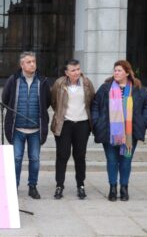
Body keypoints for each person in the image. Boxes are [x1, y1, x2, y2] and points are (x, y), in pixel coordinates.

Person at [91, 60, 147, 201]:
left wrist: (143, 122)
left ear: (127, 72)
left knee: (126, 161)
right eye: (115, 70)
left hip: (130, 133)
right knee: (112, 161)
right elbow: (95, 105)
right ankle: (113, 188)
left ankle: (124, 188)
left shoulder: (138, 88)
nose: (116, 73)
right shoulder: (106, 88)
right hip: (109, 132)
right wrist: (97, 122)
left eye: (119, 70)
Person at [2, 51, 51, 199]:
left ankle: (32, 186)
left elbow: (46, 101)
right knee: (16, 158)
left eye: (34, 61)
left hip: (35, 129)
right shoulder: (14, 80)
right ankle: (14, 187)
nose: (32, 64)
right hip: (17, 128)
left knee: (34, 159)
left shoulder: (42, 81)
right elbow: (5, 99)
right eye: (29, 62)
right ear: (21, 64)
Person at [50, 59, 95, 199]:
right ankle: (59, 186)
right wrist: (62, 116)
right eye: (73, 70)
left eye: (78, 69)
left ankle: (80, 185)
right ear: (66, 73)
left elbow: (92, 101)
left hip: (82, 124)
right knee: (62, 155)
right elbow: (54, 102)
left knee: (80, 156)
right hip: (65, 124)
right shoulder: (59, 83)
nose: (76, 72)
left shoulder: (87, 83)